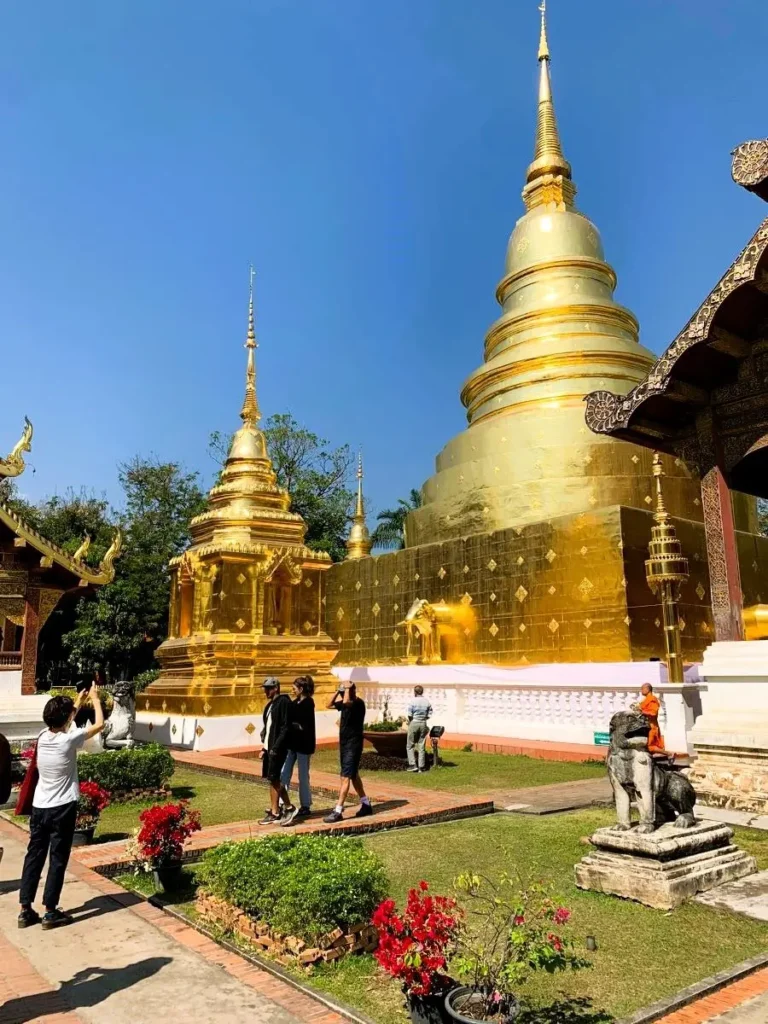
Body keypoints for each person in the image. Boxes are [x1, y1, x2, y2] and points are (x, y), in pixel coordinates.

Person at [19, 681, 104, 930]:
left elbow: (64, 722)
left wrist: (77, 701)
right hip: (62, 807)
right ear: (66, 718)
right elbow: (99, 725)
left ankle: (25, 909)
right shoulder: (69, 740)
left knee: (34, 855)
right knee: (57, 857)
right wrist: (96, 700)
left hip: (40, 807)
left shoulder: (43, 736)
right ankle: (50, 910)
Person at [323, 683, 372, 823]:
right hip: (345, 744)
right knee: (353, 775)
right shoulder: (345, 703)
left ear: (353, 691)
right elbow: (328, 705)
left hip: (353, 744)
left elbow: (346, 702)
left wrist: (347, 689)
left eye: (348, 690)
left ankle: (338, 810)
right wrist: (337, 691)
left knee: (345, 777)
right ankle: (366, 804)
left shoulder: (357, 703)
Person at [280, 675, 316, 826]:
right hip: (292, 745)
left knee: (303, 776)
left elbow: (301, 725)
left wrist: (294, 725)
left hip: (304, 746)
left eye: (294, 688)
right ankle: (283, 803)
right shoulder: (295, 703)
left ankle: (305, 805)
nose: (292, 691)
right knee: (284, 773)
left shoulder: (308, 703)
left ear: (301, 689)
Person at [258, 677, 293, 825]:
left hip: (277, 748)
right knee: (272, 779)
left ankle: (286, 807)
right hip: (270, 748)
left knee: (275, 778)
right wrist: (264, 749)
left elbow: (285, 727)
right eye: (265, 688)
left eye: (268, 688)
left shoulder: (284, 702)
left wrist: (276, 747)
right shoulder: (270, 706)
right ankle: (276, 810)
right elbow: (269, 729)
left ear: (276, 688)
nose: (266, 691)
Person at [632, 683, 666, 755]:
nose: (641, 691)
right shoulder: (646, 700)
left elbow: (653, 713)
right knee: (646, 746)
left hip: (652, 726)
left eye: (642, 689)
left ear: (648, 689)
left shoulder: (652, 699)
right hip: (646, 726)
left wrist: (642, 711)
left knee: (650, 747)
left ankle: (669, 754)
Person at [406, 684, 432, 773]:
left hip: (414, 722)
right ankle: (421, 767)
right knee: (421, 745)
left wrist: (411, 722)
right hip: (423, 723)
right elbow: (430, 714)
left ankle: (413, 765)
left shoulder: (412, 701)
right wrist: (424, 719)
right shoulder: (426, 701)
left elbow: (409, 715)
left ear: (415, 692)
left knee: (410, 745)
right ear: (422, 692)